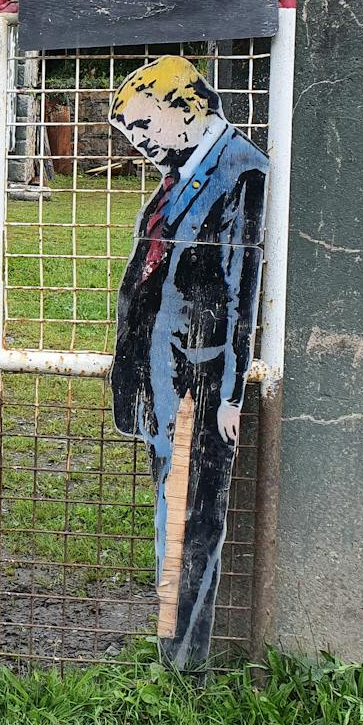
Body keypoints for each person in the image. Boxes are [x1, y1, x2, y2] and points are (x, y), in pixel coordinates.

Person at [109, 54, 268, 670]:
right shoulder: (185, 169)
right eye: (130, 131)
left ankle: (184, 661)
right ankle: (170, 638)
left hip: (201, 380)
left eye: (144, 125)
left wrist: (230, 393)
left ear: (188, 108)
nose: (138, 142)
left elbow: (240, 286)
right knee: (171, 511)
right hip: (167, 375)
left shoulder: (239, 172)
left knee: (195, 517)